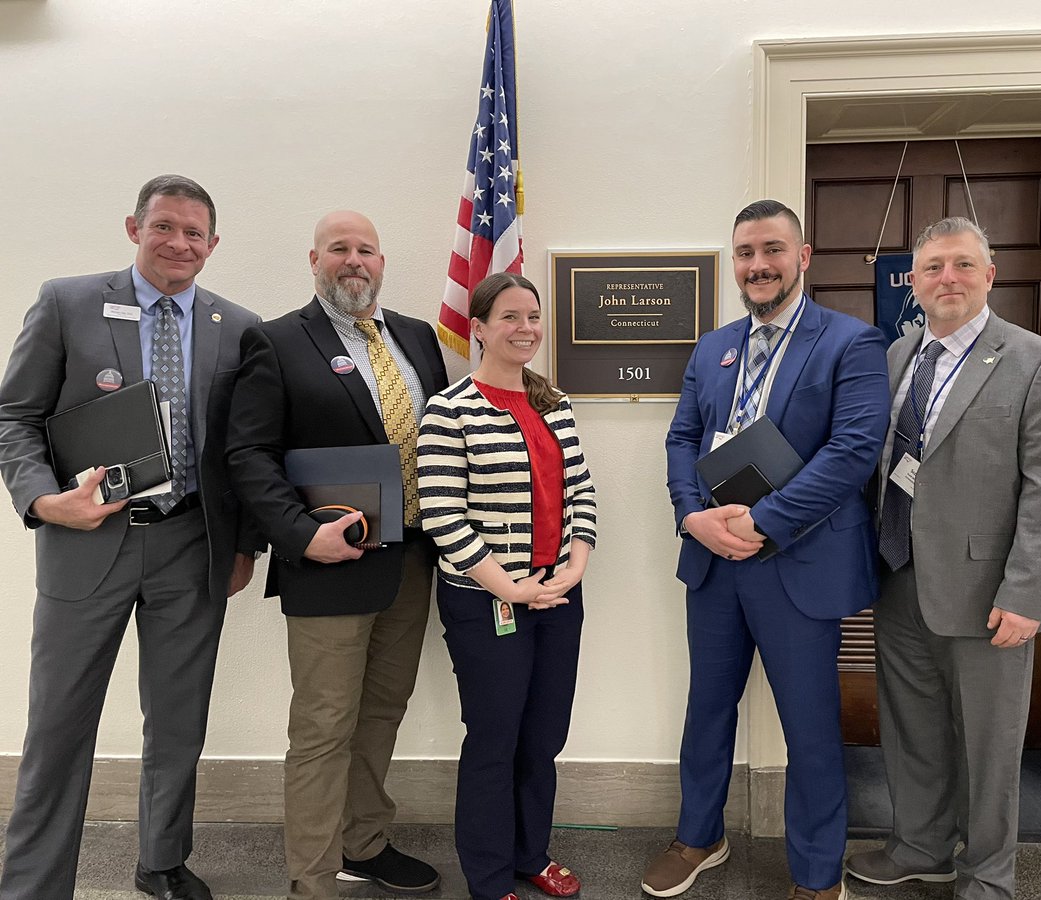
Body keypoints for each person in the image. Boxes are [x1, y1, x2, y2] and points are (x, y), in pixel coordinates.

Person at [0, 175, 261, 900]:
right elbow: (14, 418)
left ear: (213, 244)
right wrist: (45, 502)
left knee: (178, 723)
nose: (179, 243)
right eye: (164, 227)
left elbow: (243, 450)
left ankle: (162, 863)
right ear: (133, 228)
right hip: (87, 544)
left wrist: (243, 545)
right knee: (59, 726)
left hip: (190, 547)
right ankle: (33, 884)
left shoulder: (237, 327)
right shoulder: (68, 302)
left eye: (194, 233)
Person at [643, 200, 890, 900]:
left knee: (809, 727)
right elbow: (682, 440)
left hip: (799, 564)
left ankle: (817, 876)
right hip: (715, 562)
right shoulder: (712, 347)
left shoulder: (851, 342)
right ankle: (699, 835)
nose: (759, 265)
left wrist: (764, 522)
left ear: (802, 257)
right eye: (746, 252)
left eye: (773, 249)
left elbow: (852, 453)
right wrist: (693, 518)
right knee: (708, 709)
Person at [845, 217, 1041, 900]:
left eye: (963, 265)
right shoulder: (898, 356)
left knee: (988, 744)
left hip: (988, 594)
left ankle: (987, 875)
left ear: (988, 276)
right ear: (912, 283)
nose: (948, 278)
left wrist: (1029, 593)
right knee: (911, 730)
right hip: (898, 577)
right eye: (934, 268)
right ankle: (920, 846)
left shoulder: (1037, 360)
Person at [225, 211, 447, 900]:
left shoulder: (415, 338)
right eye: (340, 249)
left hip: (411, 559)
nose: (355, 260)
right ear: (314, 259)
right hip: (329, 564)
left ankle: (365, 843)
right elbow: (248, 454)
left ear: (383, 262)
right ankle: (313, 877)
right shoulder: (278, 340)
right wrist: (298, 533)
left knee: (383, 711)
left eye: (367, 250)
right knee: (323, 725)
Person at [417, 272, 597, 900]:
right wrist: (511, 589)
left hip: (559, 597)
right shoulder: (450, 408)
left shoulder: (555, 405)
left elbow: (581, 492)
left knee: (544, 737)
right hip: (485, 601)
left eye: (533, 317)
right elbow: (442, 513)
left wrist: (576, 565)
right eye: (511, 318)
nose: (526, 330)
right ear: (481, 329)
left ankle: (531, 854)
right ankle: (491, 878)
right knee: (494, 739)